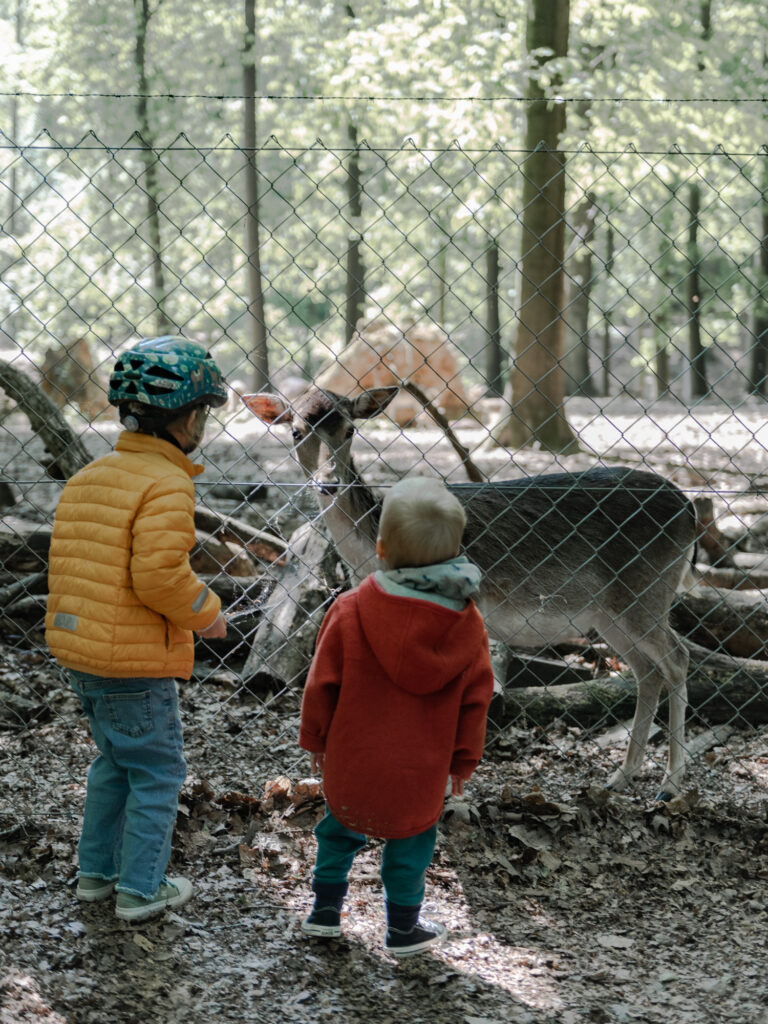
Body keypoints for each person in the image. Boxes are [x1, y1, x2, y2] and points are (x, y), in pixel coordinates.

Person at [46, 335, 228, 922]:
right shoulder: (168, 483)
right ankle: (141, 889)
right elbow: (158, 578)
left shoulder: (92, 475)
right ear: (190, 416)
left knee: (114, 763)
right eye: (204, 413)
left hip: (83, 653)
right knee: (157, 770)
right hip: (133, 661)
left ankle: (96, 875)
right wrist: (208, 610)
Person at [299, 476, 494, 957]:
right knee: (411, 843)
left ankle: (325, 912)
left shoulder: (349, 611)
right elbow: (477, 699)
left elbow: (321, 682)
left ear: (381, 549)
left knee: (338, 828)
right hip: (421, 767)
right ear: (453, 552)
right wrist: (463, 762)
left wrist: (316, 741)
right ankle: (403, 928)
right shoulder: (467, 626)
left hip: (353, 757)